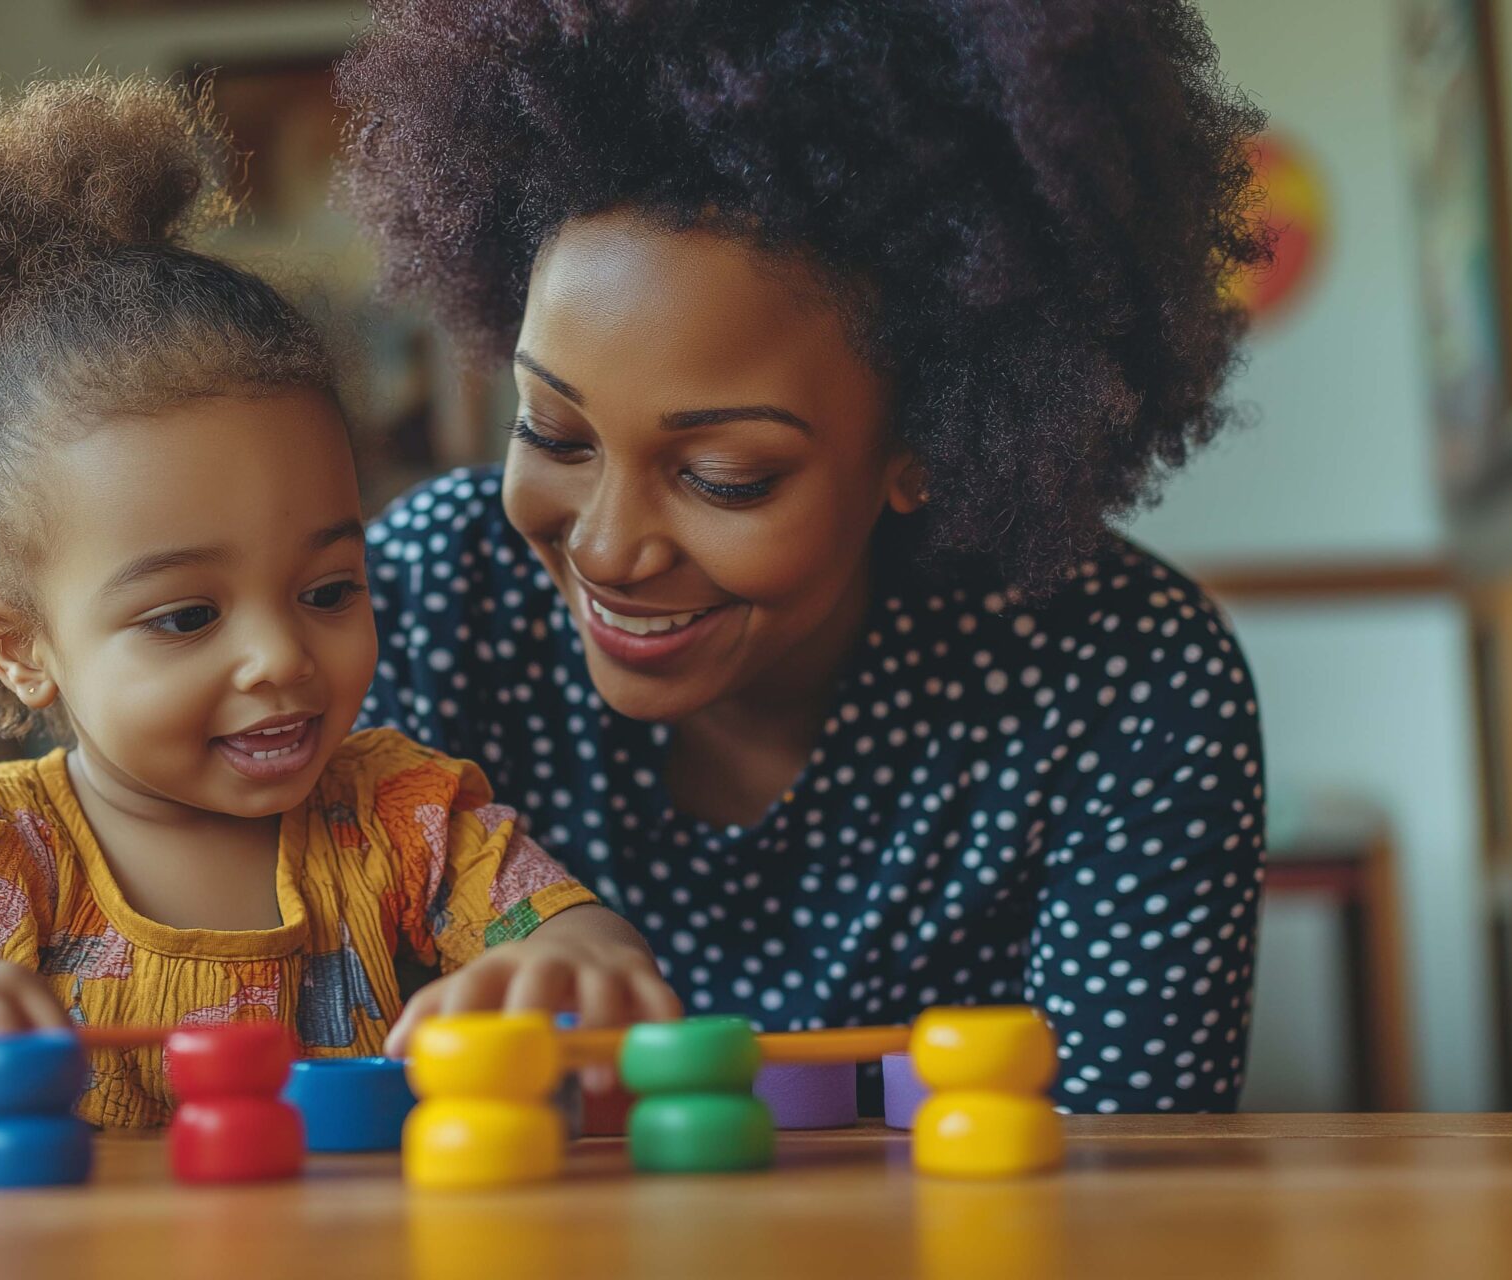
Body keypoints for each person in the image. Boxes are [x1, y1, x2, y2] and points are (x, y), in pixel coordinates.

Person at [338, 0, 1271, 1112]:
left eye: (724, 475)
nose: (604, 545)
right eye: (553, 433)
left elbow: (1128, 1179)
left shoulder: (1122, 679)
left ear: (921, 441)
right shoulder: (430, 593)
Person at [0, 76, 673, 1127]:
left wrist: (574, 963)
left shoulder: (404, 821)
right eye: (186, 616)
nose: (280, 656)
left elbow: (578, 941)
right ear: (20, 645)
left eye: (327, 589)